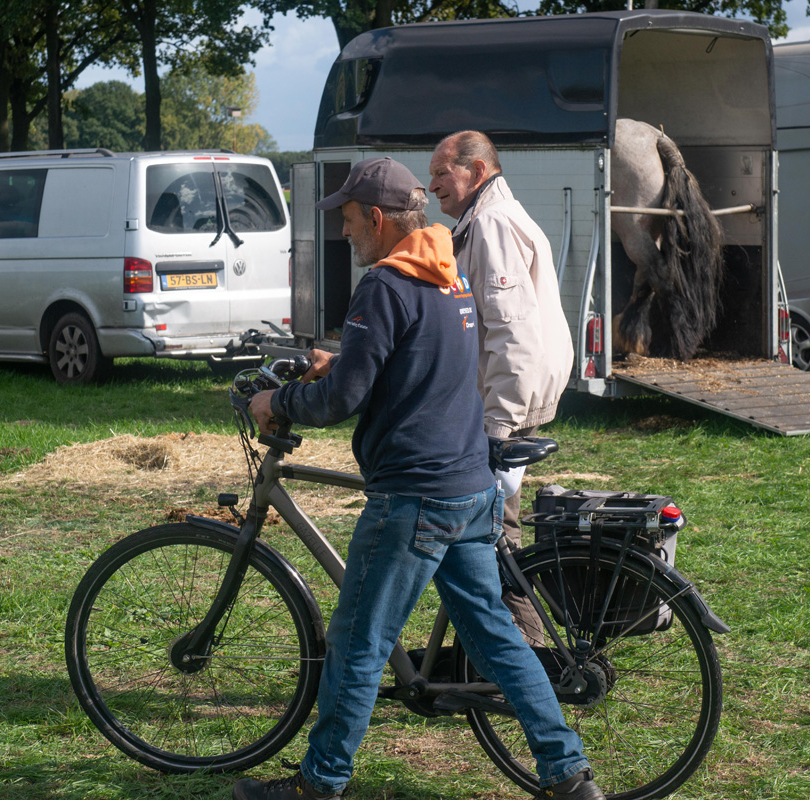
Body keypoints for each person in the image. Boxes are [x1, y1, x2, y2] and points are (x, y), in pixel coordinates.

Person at [237, 157, 602, 800]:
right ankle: (568, 775)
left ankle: (318, 785)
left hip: (415, 496)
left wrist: (279, 401)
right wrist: (346, 357)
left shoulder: (383, 284)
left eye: (349, 219)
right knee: (498, 639)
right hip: (470, 488)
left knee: (357, 642)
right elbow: (418, 361)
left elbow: (341, 401)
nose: (344, 232)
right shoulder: (446, 273)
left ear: (377, 219)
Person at [428, 130, 574, 629]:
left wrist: (497, 427)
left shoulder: (491, 224)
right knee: (490, 534)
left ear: (477, 171)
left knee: (494, 538)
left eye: (442, 173)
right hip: (506, 399)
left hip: (504, 405)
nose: (433, 186)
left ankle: (530, 656)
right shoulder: (490, 218)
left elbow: (513, 333)